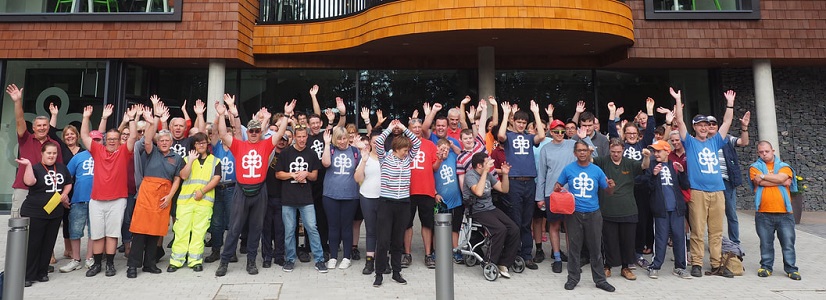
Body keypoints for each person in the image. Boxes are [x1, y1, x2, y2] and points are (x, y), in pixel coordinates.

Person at [213, 97, 291, 277]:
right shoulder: (239, 145)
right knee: (234, 227)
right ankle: (224, 261)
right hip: (241, 191)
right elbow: (224, 135)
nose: (254, 133)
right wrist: (222, 115)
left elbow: (279, 135)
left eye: (257, 130)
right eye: (252, 130)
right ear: (247, 132)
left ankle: (251, 262)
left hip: (259, 191)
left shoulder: (265, 145)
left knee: (256, 228)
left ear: (260, 132)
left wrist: (286, 115)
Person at [671, 87, 737, 278]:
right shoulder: (690, 142)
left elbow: (727, 122)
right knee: (698, 230)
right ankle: (697, 263)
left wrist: (730, 104)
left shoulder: (715, 141)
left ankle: (717, 264)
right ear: (695, 127)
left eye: (706, 125)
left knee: (716, 231)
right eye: (699, 125)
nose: (703, 127)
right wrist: (678, 99)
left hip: (718, 191)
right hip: (698, 191)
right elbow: (680, 121)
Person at [127, 100, 184, 279]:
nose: (165, 142)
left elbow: (177, 179)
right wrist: (155, 119)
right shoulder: (151, 151)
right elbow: (149, 137)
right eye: (162, 140)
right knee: (139, 231)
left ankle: (150, 264)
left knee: (156, 231)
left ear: (172, 142)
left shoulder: (177, 157)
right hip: (146, 195)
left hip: (164, 196)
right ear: (158, 142)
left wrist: (170, 196)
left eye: (168, 140)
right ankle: (133, 266)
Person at [79, 104, 137, 277]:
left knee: (112, 234)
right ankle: (97, 264)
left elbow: (133, 136)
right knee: (97, 234)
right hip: (97, 200)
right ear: (105, 140)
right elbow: (83, 135)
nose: (112, 140)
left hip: (118, 199)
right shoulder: (97, 150)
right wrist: (86, 117)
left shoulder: (123, 152)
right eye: (109, 138)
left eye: (115, 138)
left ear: (120, 140)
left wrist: (132, 119)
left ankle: (110, 264)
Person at [555, 141, 616, 293]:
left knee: (595, 248)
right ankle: (573, 278)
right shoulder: (568, 169)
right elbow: (558, 185)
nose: (582, 153)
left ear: (589, 153)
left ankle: (600, 280)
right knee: (574, 248)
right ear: (575, 153)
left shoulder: (597, 170)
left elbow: (608, 191)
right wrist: (558, 188)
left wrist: (611, 186)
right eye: (579, 151)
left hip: (593, 213)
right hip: (574, 213)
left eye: (585, 150)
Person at [497, 100, 545, 270]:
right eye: (519, 122)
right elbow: (500, 135)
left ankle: (527, 254)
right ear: (513, 121)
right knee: (515, 220)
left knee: (526, 221)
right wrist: (505, 115)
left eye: (524, 122)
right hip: (514, 182)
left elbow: (542, 136)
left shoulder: (530, 137)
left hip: (529, 181)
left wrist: (537, 113)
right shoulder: (509, 136)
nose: (521, 125)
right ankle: (514, 253)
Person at [17, 141, 73, 287]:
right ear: (42, 153)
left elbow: (68, 182)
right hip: (35, 212)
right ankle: (28, 275)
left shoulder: (61, 167)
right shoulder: (35, 168)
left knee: (48, 244)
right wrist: (28, 166)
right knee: (33, 244)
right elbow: (29, 182)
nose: (52, 156)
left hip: (54, 213)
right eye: (49, 153)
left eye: (54, 153)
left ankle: (42, 272)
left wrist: (64, 194)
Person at [593, 139, 650, 281]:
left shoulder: (629, 163)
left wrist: (647, 156)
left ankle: (626, 267)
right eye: (613, 152)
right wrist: (586, 145)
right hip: (608, 209)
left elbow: (643, 166)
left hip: (628, 209)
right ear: (609, 150)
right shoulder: (603, 161)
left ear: (623, 150)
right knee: (609, 240)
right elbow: (589, 160)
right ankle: (608, 266)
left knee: (628, 241)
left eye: (618, 152)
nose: (616, 154)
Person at [373, 120, 420, 287]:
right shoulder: (385, 158)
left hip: (403, 203)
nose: (407, 153)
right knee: (384, 240)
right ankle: (378, 274)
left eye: (408, 151)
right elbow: (378, 141)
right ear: (396, 149)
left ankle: (396, 272)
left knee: (397, 240)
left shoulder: (407, 160)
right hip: (386, 203)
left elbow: (417, 142)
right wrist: (390, 128)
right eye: (404, 150)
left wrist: (405, 128)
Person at [536, 120, 587, 273]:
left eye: (562, 131)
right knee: (554, 226)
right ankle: (557, 257)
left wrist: (584, 138)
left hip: (571, 193)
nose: (559, 134)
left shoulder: (573, 144)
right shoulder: (545, 149)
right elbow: (542, 174)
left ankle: (573, 260)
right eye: (556, 131)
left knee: (571, 228)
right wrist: (539, 197)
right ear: (550, 132)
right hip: (552, 194)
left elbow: (591, 153)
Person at [7, 84, 64, 218]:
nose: (42, 128)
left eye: (45, 125)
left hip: (46, 191)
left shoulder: (55, 144)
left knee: (39, 227)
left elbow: (59, 169)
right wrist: (17, 102)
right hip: (23, 188)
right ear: (33, 127)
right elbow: (20, 120)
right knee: (19, 228)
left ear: (49, 127)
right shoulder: (25, 139)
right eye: (39, 125)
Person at [167, 133, 221, 273]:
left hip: (204, 202)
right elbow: (183, 176)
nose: (201, 145)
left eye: (203, 143)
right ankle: (176, 261)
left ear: (207, 144)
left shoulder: (215, 161)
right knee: (181, 231)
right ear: (194, 145)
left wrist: (202, 192)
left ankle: (195, 261)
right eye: (198, 143)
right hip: (185, 202)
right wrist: (191, 160)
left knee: (199, 232)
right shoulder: (185, 159)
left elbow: (216, 179)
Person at [749, 141, 801, 280]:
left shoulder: (785, 167)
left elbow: (783, 178)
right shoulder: (754, 167)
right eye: (761, 152)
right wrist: (778, 181)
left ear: (773, 151)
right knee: (765, 242)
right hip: (763, 213)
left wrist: (764, 177)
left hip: (785, 213)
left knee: (788, 243)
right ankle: (766, 267)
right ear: (758, 153)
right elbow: (759, 182)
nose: (764, 154)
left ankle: (791, 269)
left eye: (766, 151)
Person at [276, 126, 326, 273]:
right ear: (294, 138)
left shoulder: (311, 153)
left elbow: (315, 176)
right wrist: (292, 175)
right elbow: (278, 174)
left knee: (312, 228)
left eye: (304, 136)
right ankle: (290, 259)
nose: (302, 139)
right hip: (288, 198)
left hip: (306, 199)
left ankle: (319, 259)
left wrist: (306, 174)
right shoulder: (286, 153)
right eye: (299, 137)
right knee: (290, 231)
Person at [463, 152, 518, 278]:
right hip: (476, 210)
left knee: (513, 228)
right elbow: (478, 192)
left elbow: (504, 189)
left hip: (490, 208)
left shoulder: (488, 174)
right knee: (500, 230)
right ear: (479, 165)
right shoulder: (470, 175)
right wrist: (484, 173)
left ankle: (504, 263)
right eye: (487, 162)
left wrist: (505, 175)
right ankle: (489, 262)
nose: (490, 165)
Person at [644, 140, 691, 279]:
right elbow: (648, 187)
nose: (656, 154)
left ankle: (680, 267)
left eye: (659, 151)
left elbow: (685, 185)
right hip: (660, 209)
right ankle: (655, 265)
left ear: (667, 151)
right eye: (654, 151)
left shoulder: (674, 165)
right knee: (660, 238)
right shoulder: (651, 165)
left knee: (679, 238)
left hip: (676, 208)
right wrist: (653, 175)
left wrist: (682, 173)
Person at [205, 94, 242, 264]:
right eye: (223, 132)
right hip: (217, 187)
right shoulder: (216, 145)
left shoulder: (236, 146)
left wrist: (232, 113)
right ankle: (215, 250)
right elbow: (214, 130)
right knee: (217, 222)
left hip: (232, 188)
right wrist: (220, 115)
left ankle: (231, 251)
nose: (225, 134)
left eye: (228, 132)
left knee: (232, 222)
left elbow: (237, 130)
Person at [321, 126, 363, 270]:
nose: (342, 141)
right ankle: (333, 256)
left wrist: (361, 148)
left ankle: (346, 256)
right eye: (339, 138)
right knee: (333, 227)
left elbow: (363, 168)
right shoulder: (331, 149)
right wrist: (327, 144)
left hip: (350, 195)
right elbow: (326, 163)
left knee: (346, 227)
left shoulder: (355, 152)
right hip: (330, 195)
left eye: (344, 138)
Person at [706, 113, 751, 245]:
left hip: (726, 181)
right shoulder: (702, 141)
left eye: (713, 124)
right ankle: (714, 242)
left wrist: (744, 128)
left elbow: (744, 142)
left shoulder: (727, 138)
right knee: (711, 215)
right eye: (708, 124)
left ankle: (734, 242)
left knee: (731, 213)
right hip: (710, 182)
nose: (711, 126)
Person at [59, 131, 101, 273]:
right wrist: (64, 195)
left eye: (98, 140)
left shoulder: (104, 155)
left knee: (93, 231)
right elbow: (67, 177)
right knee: (75, 231)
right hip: (78, 199)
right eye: (92, 139)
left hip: (97, 199)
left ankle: (90, 258)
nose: (95, 142)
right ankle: (76, 259)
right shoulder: (78, 157)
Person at [355, 131, 385, 275]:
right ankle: (369, 260)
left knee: (384, 231)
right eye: (374, 142)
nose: (377, 144)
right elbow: (357, 178)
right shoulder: (365, 158)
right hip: (367, 197)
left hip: (385, 198)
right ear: (370, 143)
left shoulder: (388, 157)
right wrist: (364, 161)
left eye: (380, 141)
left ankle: (383, 260)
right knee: (371, 230)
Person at [261, 125, 292, 268]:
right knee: (266, 229)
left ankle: (279, 255)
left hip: (282, 197)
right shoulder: (268, 154)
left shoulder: (288, 156)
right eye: (279, 139)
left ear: (287, 142)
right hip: (266, 196)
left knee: (280, 229)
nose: (281, 142)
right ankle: (266, 256)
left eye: (284, 140)